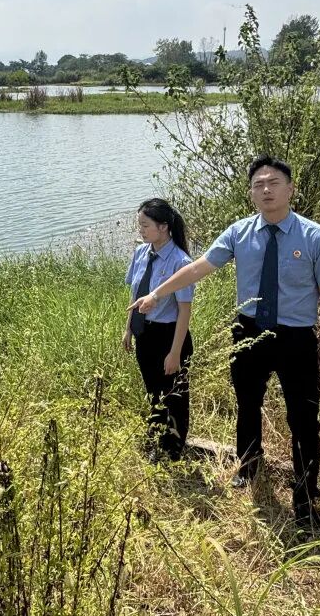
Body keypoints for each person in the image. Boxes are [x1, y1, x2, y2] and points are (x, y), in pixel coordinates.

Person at [129, 156, 320, 526]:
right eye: (259, 184)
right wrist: (157, 293)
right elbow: (198, 267)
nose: (266, 190)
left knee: (304, 419)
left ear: (290, 189)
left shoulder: (315, 237)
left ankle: (306, 499)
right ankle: (248, 468)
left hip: (296, 338)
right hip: (249, 332)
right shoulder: (239, 233)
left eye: (274, 183)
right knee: (247, 405)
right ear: (251, 193)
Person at [123, 198, 195, 462]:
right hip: (145, 333)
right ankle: (156, 438)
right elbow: (135, 294)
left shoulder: (181, 262)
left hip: (170, 335)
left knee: (174, 394)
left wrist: (175, 353)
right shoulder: (141, 253)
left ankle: (174, 447)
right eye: (139, 225)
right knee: (153, 391)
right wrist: (128, 329)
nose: (140, 230)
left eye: (145, 225)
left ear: (163, 227)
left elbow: (184, 311)